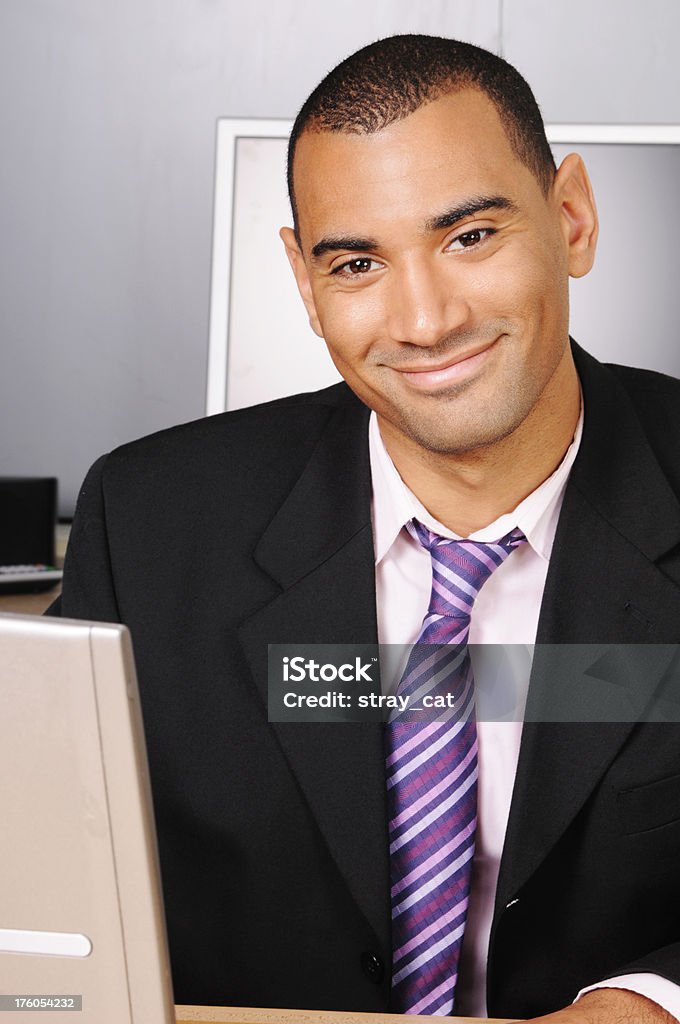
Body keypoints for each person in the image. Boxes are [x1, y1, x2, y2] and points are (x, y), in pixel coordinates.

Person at [49, 34, 680, 1023]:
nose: (423, 320)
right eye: (355, 262)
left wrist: (649, 1000)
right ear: (304, 282)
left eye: (468, 237)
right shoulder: (150, 521)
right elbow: (55, 871)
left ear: (571, 217)